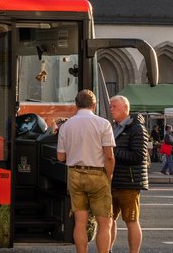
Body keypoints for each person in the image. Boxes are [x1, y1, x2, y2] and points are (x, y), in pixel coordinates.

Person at [56, 89, 115, 253]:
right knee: (104, 222)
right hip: (97, 174)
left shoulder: (66, 126)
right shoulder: (103, 124)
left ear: (76, 105)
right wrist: (108, 176)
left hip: (74, 174)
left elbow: (60, 157)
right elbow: (109, 156)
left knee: (80, 222)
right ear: (94, 105)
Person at [108, 95, 148, 253]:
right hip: (112, 181)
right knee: (109, 220)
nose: (111, 109)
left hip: (129, 183)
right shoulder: (112, 127)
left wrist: (113, 151)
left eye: (114, 106)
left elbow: (138, 157)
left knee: (131, 220)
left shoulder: (137, 128)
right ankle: (108, 249)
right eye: (110, 106)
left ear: (125, 108)